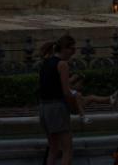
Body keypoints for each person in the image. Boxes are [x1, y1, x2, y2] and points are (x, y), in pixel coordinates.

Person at [37, 35, 79, 165]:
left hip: (44, 108)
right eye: (72, 49)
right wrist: (74, 107)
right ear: (65, 49)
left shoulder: (46, 62)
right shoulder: (62, 64)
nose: (73, 53)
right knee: (67, 149)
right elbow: (66, 92)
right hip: (57, 108)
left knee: (53, 149)